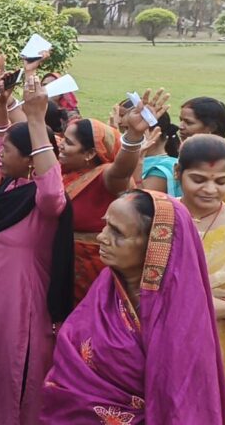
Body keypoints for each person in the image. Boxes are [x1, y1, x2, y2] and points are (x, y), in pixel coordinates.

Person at [40, 190, 225, 424]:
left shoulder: (180, 318)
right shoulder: (105, 289)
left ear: (156, 246)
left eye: (117, 233)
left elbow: (183, 403)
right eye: (106, 225)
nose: (101, 237)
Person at [0, 75, 74, 425]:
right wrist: (3, 104)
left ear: (30, 159)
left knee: (18, 367)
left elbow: (52, 189)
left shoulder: (43, 199)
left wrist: (35, 119)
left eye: (8, 151)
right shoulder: (11, 186)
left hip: (22, 305)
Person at [60, 91, 167, 303]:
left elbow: (121, 170)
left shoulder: (105, 177)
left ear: (90, 154)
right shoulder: (65, 171)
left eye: (68, 142)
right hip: (63, 262)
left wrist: (133, 136)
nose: (60, 145)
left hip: (93, 268)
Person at [178, 135, 225, 423]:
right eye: (198, 179)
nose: (210, 190)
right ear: (178, 173)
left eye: (221, 181)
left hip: (222, 350)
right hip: (165, 343)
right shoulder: (158, 218)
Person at [178, 96, 225, 212]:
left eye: (188, 122)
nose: (181, 126)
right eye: (181, 120)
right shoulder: (182, 155)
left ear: (211, 128)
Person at [137, 111, 181, 196]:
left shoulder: (161, 170)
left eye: (128, 129)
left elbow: (137, 200)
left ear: (153, 132)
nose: (124, 137)